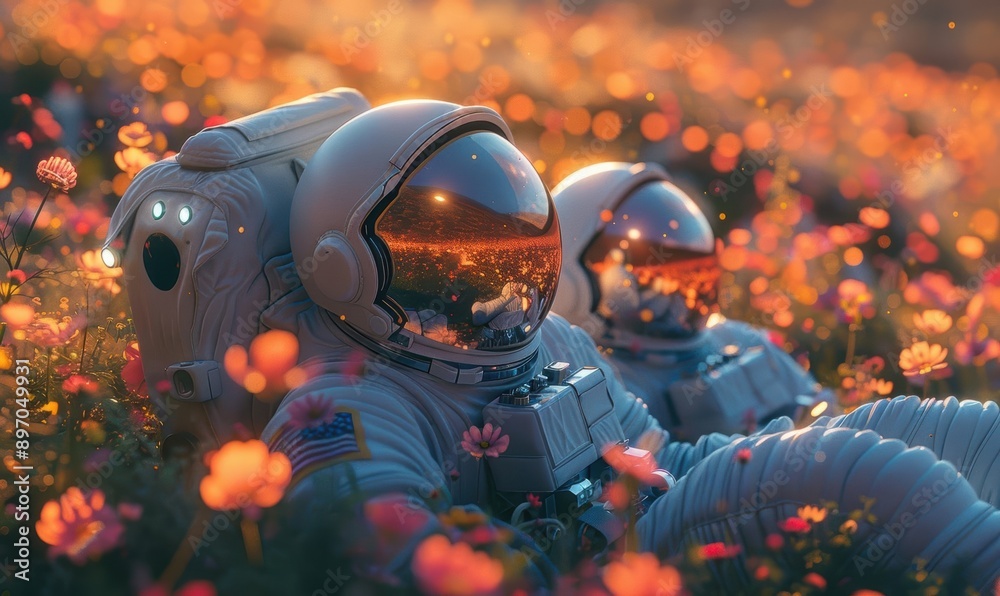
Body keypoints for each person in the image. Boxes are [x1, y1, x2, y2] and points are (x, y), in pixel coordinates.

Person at [260, 101, 1000, 591]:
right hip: (604, 569)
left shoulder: (553, 341)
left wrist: (763, 450)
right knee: (847, 473)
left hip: (652, 510)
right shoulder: (343, 410)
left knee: (940, 430)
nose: (491, 270)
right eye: (443, 248)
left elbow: (659, 452)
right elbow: (386, 549)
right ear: (347, 265)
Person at [550, 162, 830, 440]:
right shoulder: (610, 389)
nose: (669, 299)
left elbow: (824, 408)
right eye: (636, 269)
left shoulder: (738, 339)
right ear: (571, 283)